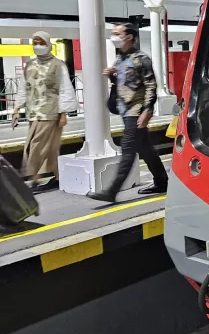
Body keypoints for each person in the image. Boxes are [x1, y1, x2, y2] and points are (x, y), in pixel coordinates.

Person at [87, 23, 168, 202]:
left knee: (128, 148)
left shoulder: (141, 59)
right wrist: (112, 77)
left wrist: (147, 110)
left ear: (129, 37)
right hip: (126, 111)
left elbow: (151, 86)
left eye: (118, 33)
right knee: (144, 148)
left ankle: (111, 191)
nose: (114, 36)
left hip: (136, 111)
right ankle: (162, 181)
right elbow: (124, 83)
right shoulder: (119, 59)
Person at [11, 31, 77, 190]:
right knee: (51, 147)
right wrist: (16, 110)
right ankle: (59, 176)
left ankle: (33, 178)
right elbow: (23, 88)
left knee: (35, 145)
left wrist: (63, 113)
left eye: (41, 42)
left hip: (50, 112)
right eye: (35, 42)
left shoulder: (58, 64)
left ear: (48, 44)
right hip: (33, 113)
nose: (38, 46)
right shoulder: (30, 65)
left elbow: (65, 89)